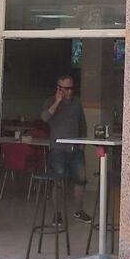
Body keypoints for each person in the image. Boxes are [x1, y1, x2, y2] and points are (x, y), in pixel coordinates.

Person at [40, 74, 91, 223]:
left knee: (81, 180)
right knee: (58, 182)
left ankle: (79, 211)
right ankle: (57, 214)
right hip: (58, 149)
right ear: (59, 88)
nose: (69, 91)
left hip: (76, 149)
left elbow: (82, 124)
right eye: (66, 88)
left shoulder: (77, 102)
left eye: (71, 88)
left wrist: (82, 144)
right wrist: (57, 102)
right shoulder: (50, 101)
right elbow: (44, 117)